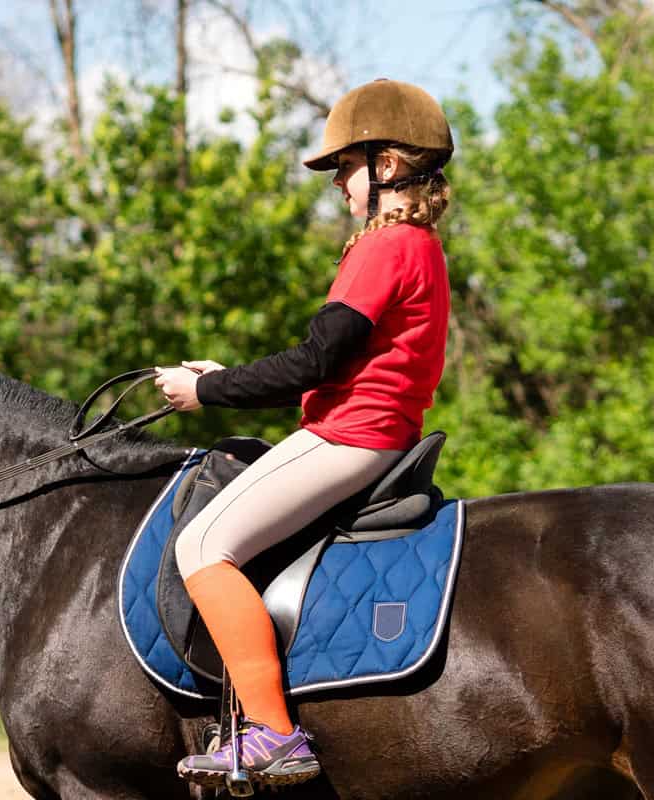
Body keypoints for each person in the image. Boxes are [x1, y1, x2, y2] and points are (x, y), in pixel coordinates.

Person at [155, 78, 454, 789]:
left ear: (385, 165)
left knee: (202, 546)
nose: (340, 186)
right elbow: (337, 359)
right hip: (374, 431)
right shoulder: (419, 248)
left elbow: (315, 361)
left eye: (346, 168)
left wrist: (207, 391)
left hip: (350, 436)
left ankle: (273, 734)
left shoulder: (384, 248)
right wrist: (229, 375)